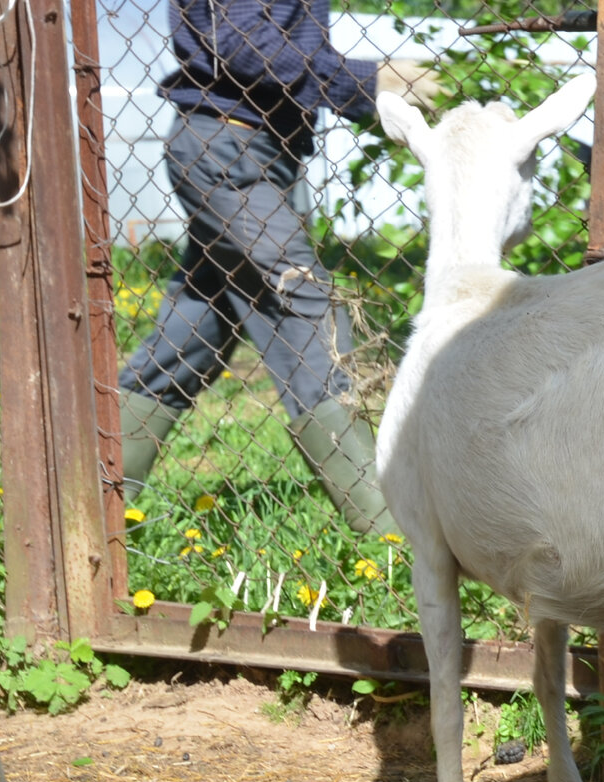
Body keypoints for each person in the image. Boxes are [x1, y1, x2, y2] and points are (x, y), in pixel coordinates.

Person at [117, 0, 441, 534]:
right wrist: (371, 80)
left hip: (255, 148)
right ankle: (386, 530)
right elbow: (246, 45)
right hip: (228, 147)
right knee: (303, 302)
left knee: (195, 331)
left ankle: (94, 491)